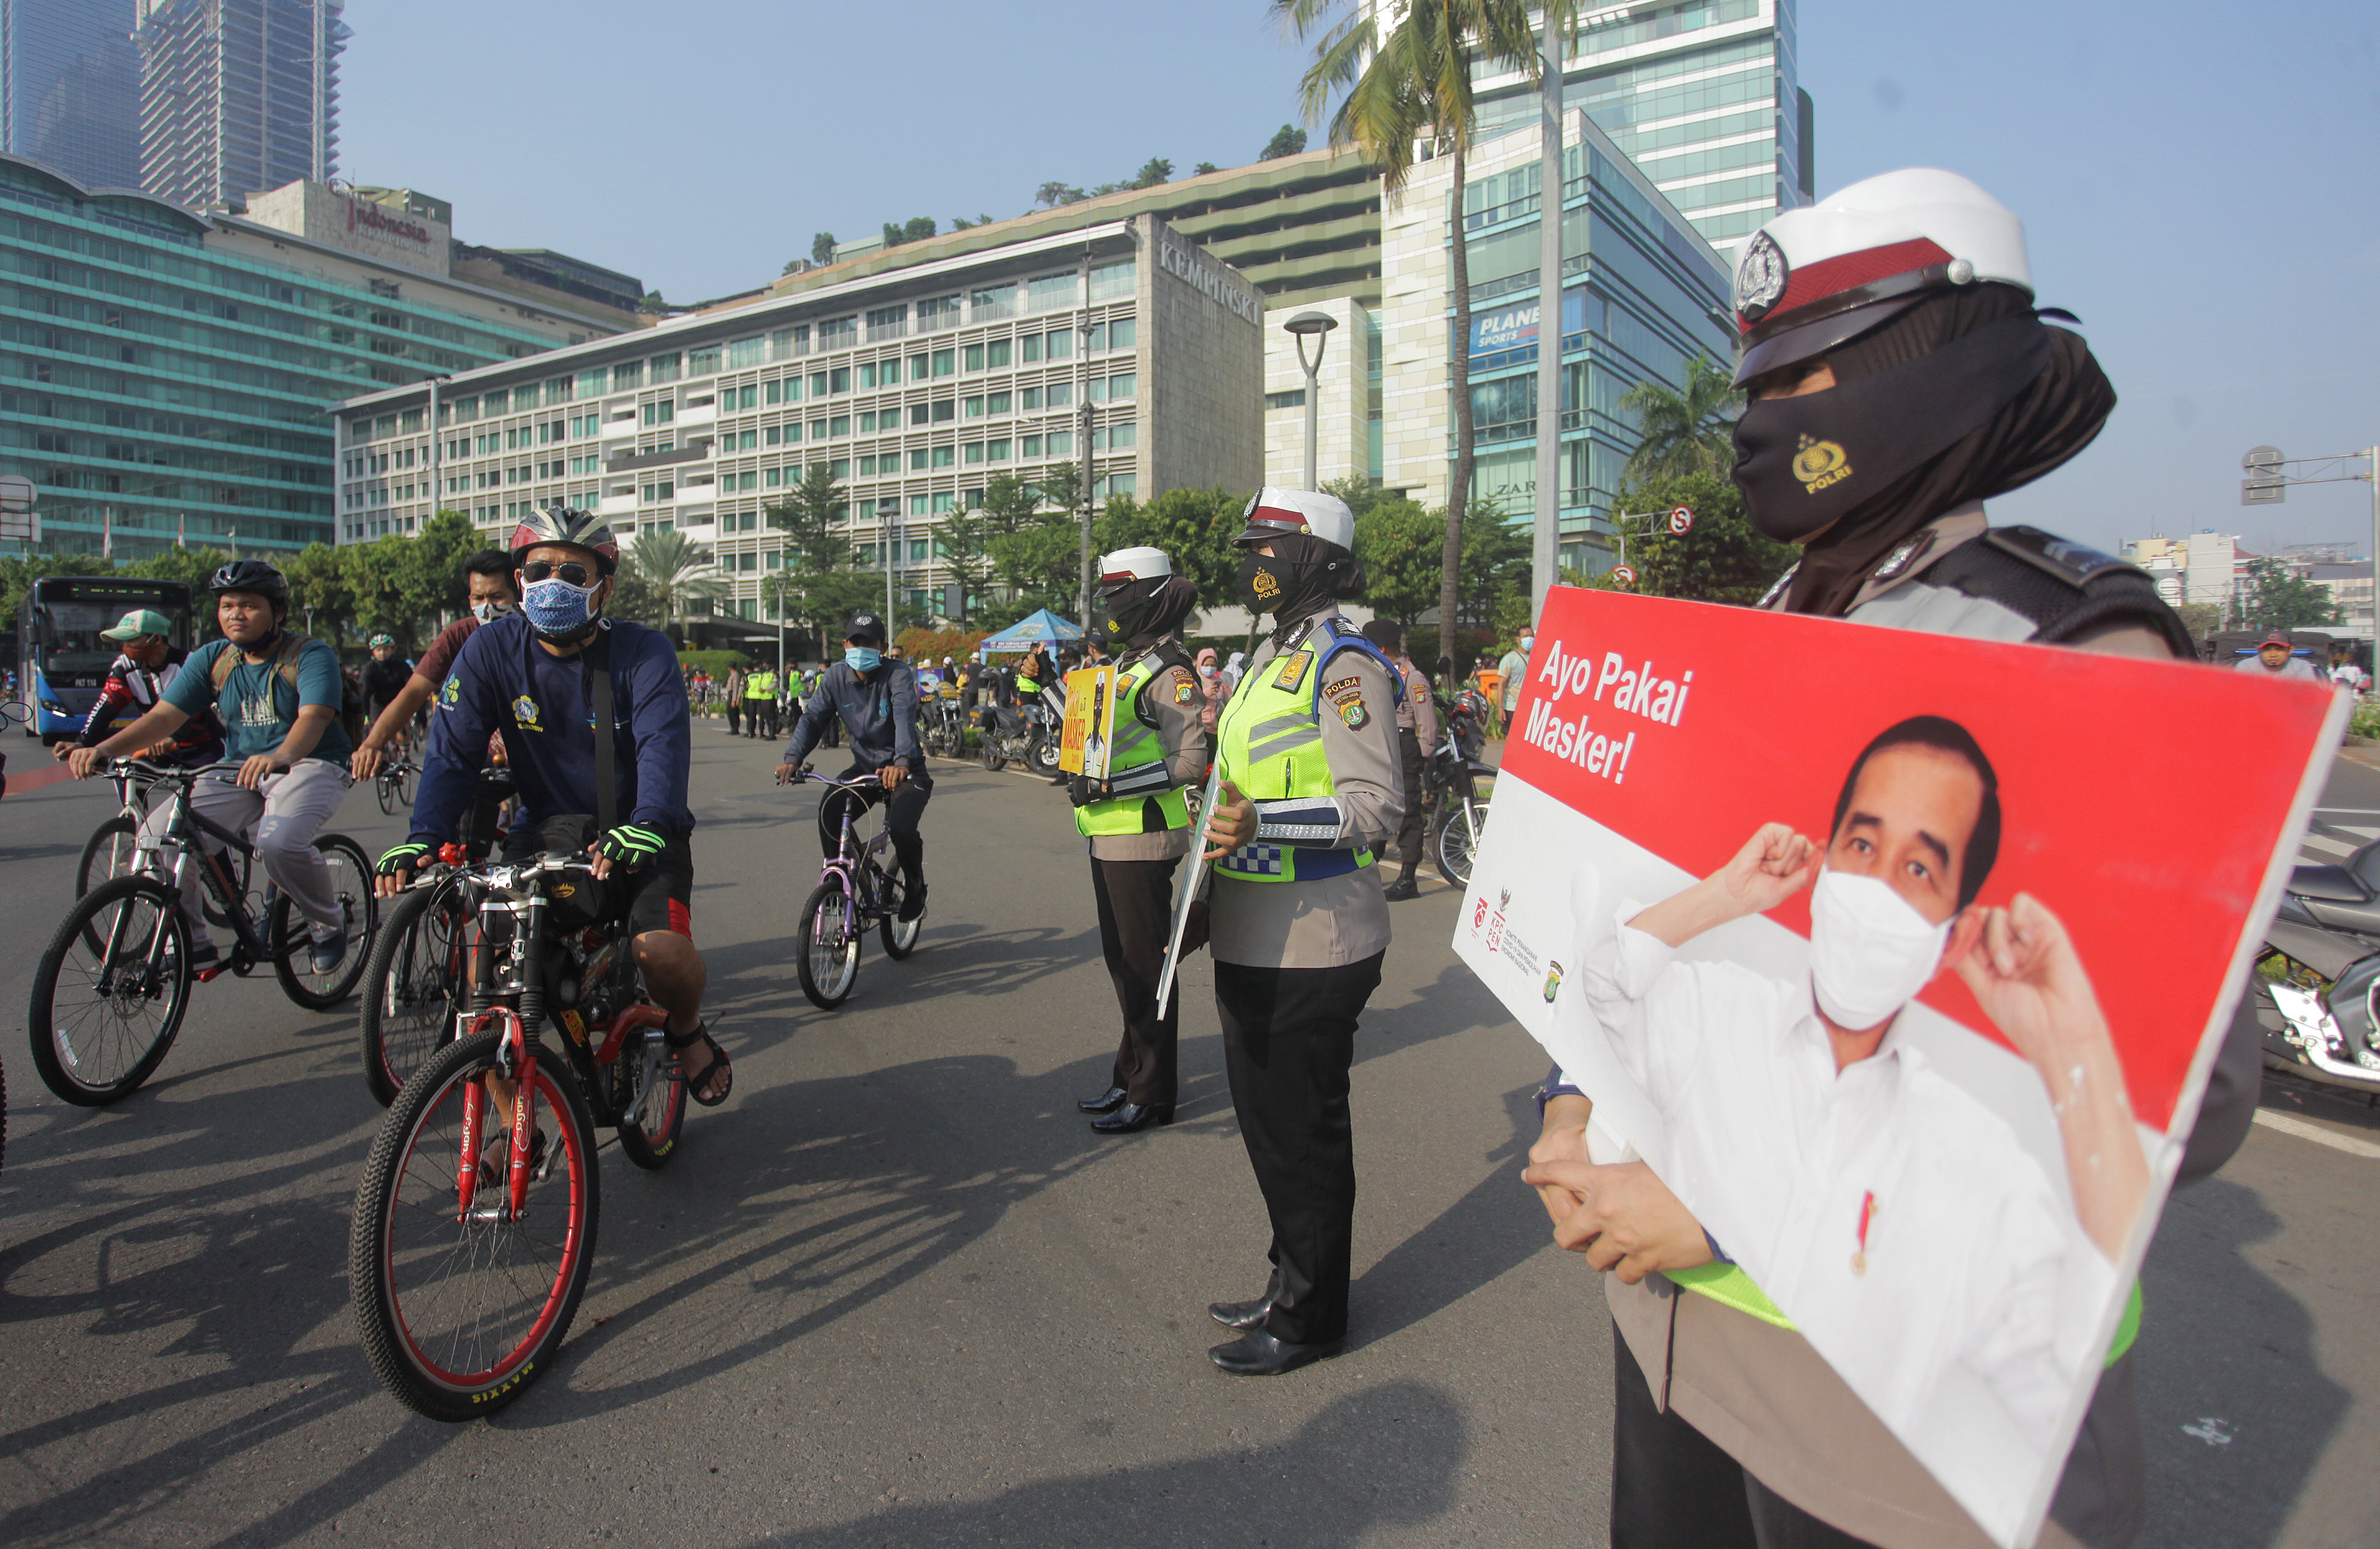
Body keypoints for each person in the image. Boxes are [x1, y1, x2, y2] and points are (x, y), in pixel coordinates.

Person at [1521, 169, 2254, 1549]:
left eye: (1800, 382)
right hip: (1681, 1351)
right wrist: (1574, 1105)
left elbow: (2185, 1097)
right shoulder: (1772, 623)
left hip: (1904, 1430)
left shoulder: (2075, 646)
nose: (1756, 424)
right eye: (1754, 383)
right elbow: (1662, 912)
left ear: (1926, 375)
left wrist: (1731, 1211)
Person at [1582, 716, 2147, 1477]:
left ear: (1949, 940)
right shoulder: (1720, 1014)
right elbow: (1605, 982)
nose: (1875, 888)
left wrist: (2071, 1050)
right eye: (1861, 845)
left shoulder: (1973, 1155)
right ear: (1825, 866)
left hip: (1854, 1475)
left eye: (1919, 871)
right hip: (1690, 1382)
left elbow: (2067, 1345)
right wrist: (1726, 894)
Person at [375, 504, 729, 1106]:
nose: (552, 585)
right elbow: (451, 753)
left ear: (603, 587)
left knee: (661, 953)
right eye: (539, 572)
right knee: (485, 991)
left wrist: (647, 824)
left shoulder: (645, 654)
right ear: (520, 582)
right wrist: (425, 835)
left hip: (641, 836)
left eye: (573, 574)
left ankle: (687, 1029)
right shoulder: (489, 650)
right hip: (542, 834)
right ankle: (519, 1133)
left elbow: (662, 749)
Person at [1197, 487, 1407, 1377]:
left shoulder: (1344, 662)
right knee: (1267, 1125)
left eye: (1273, 546)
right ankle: (1292, 1276)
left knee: (1302, 1132)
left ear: (1318, 558)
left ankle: (1311, 1315)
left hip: (1314, 939)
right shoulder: (1264, 656)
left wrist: (1263, 824)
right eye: (1252, 544)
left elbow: (1377, 807)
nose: (1257, 558)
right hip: (1251, 930)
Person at [63, 560, 358, 974]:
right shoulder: (213, 658)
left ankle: (328, 924)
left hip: (311, 762)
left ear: (278, 612)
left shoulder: (309, 655)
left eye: (249, 605)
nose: (236, 613)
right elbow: (165, 718)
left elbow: (315, 717)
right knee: (157, 836)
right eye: (227, 605)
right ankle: (193, 943)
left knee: (278, 844)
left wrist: (281, 756)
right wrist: (102, 749)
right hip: (239, 766)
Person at [1069, 547, 1208, 1136]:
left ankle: (1153, 1092)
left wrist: (1108, 783)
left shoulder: (1170, 669)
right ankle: (1128, 1075)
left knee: (1144, 969)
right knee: (1123, 966)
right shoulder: (1130, 662)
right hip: (1108, 834)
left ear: (1150, 595)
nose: (1110, 605)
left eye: (1119, 593)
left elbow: (1191, 760)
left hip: (1142, 837)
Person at [776, 610, 929, 921]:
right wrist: (793, 758)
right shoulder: (834, 677)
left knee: (902, 830)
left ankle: (915, 888)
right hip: (866, 768)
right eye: (855, 643)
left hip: (906, 770)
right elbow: (813, 720)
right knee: (829, 810)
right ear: (845, 644)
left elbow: (903, 716)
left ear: (882, 647)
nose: (862, 649)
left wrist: (900, 762)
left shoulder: (897, 674)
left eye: (869, 643)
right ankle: (836, 876)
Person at [352, 549, 520, 781]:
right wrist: (372, 743)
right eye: (478, 598)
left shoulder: (537, 634)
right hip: (475, 746)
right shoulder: (457, 636)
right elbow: (414, 692)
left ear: (519, 591)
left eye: (497, 596)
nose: (487, 607)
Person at [62, 607, 223, 769]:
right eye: (124, 642)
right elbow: (107, 705)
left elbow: (194, 708)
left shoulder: (190, 664)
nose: (126, 647)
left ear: (156, 639)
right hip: (153, 747)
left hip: (203, 746)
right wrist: (82, 743)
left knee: (209, 786)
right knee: (127, 774)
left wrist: (173, 737)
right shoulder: (125, 667)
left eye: (132, 640)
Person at [1360, 619, 1441, 901]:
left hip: (1404, 743)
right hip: (1380, 744)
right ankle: (1371, 866)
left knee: (1408, 810)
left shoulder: (1412, 677)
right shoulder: (1376, 671)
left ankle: (1408, 877)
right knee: (1377, 803)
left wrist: (1425, 754)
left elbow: (1427, 722)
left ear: (1382, 647)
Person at [360, 634, 416, 750]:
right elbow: (364, 693)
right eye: (378, 650)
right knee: (378, 736)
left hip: (398, 703)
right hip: (377, 705)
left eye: (386, 649)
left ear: (392, 650)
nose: (382, 653)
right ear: (373, 652)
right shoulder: (369, 668)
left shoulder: (402, 666)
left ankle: (405, 755)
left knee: (402, 729)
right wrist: (365, 714)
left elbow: (412, 688)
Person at [2237, 629, 2320, 681]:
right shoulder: (2247, 666)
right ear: (2259, 651)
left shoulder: (2301, 666)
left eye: (2279, 650)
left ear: (2291, 650)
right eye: (2267, 650)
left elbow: (2308, 693)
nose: (2273, 655)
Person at [743, 662, 776, 739]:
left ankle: (751, 733)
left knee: (752, 716)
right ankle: (761, 733)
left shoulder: (749, 675)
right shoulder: (762, 674)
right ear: (760, 666)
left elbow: (747, 685)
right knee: (761, 716)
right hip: (760, 696)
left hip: (751, 696)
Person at [723, 665, 744, 735]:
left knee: (733, 713)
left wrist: (734, 700)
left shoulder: (736, 675)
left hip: (733, 695)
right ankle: (733, 728)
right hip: (731, 695)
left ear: (730, 668)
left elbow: (735, 688)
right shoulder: (732, 675)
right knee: (729, 712)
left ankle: (735, 729)